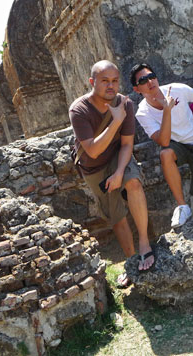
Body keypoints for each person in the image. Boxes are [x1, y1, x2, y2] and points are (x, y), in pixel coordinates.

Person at [69, 60, 154, 287]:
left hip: (118, 155)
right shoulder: (79, 110)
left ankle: (145, 244)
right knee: (116, 215)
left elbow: (127, 145)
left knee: (133, 182)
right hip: (93, 166)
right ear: (92, 82)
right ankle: (131, 261)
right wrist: (116, 121)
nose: (110, 86)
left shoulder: (125, 103)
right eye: (104, 81)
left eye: (114, 81)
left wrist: (118, 173)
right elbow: (94, 150)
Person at [130, 63, 193, 228]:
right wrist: (167, 110)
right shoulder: (143, 112)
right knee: (165, 154)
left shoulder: (178, 89)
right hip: (176, 145)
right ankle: (182, 206)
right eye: (143, 80)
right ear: (137, 89)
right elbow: (163, 141)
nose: (150, 82)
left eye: (151, 76)